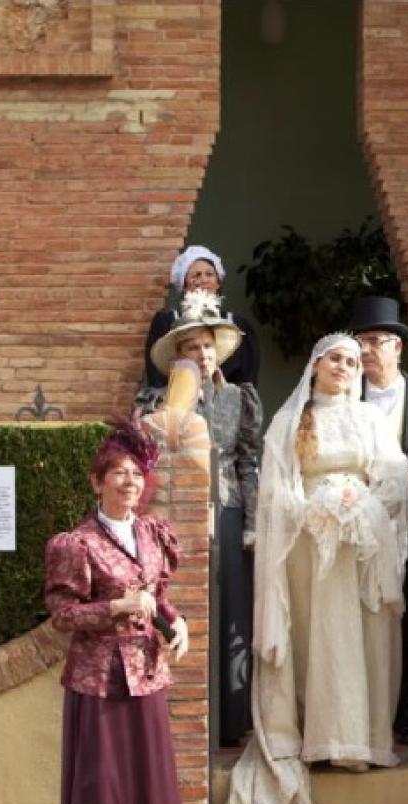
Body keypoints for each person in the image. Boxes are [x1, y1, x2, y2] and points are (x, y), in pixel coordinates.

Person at [219, 333, 408, 804]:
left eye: (352, 361)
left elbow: (393, 476)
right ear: (317, 364)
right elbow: (275, 487)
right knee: (319, 638)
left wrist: (363, 502)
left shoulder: (371, 420)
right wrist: (312, 509)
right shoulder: (289, 422)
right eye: (336, 359)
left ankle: (360, 741)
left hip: (361, 544)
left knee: (361, 637)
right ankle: (317, 737)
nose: (345, 367)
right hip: (308, 546)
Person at [44, 417, 190, 804]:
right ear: (97, 483)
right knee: (103, 784)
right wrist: (115, 607)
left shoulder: (152, 533)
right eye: (119, 473)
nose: (130, 482)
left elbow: (156, 596)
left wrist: (178, 623)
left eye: (136, 474)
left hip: (146, 673)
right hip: (98, 681)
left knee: (150, 779)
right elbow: (62, 614)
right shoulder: (77, 543)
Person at [139, 289, 263, 746]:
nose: (203, 353)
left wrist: (251, 522)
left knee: (232, 613)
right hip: (177, 518)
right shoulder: (156, 403)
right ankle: (186, 722)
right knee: (184, 610)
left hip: (228, 512)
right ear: (177, 356)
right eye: (192, 347)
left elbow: (248, 462)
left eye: (208, 345)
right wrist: (179, 401)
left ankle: (230, 723)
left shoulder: (240, 400)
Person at [348, 296, 408, 746]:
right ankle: (366, 709)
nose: (367, 351)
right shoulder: (345, 398)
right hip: (360, 529)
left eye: (376, 342)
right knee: (364, 620)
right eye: (361, 342)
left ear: (397, 347)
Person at [142, 245, 260, 388]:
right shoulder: (167, 322)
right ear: (184, 286)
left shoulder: (238, 325)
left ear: (218, 283)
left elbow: (248, 381)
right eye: (196, 275)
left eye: (209, 274)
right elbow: (157, 377)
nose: (204, 280)